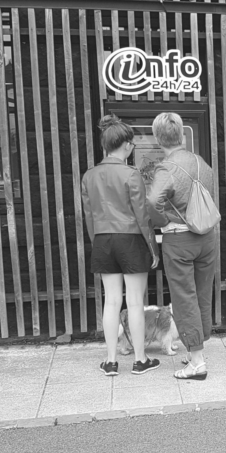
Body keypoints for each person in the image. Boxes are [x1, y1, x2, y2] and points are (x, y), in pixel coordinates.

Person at [81, 115, 160, 377]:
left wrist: (98, 242)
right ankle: (140, 360)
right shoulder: (131, 174)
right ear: (126, 145)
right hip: (130, 238)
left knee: (111, 301)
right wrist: (152, 249)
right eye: (132, 143)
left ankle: (111, 361)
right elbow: (142, 216)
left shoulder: (89, 176)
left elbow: (89, 216)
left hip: (103, 239)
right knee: (135, 301)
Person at [147, 112, 218, 381]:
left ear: (157, 138)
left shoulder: (166, 167)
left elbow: (152, 203)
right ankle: (196, 347)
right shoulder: (201, 163)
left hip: (179, 238)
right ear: (181, 135)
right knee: (201, 294)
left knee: (183, 297)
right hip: (206, 236)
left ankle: (197, 363)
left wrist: (164, 221)